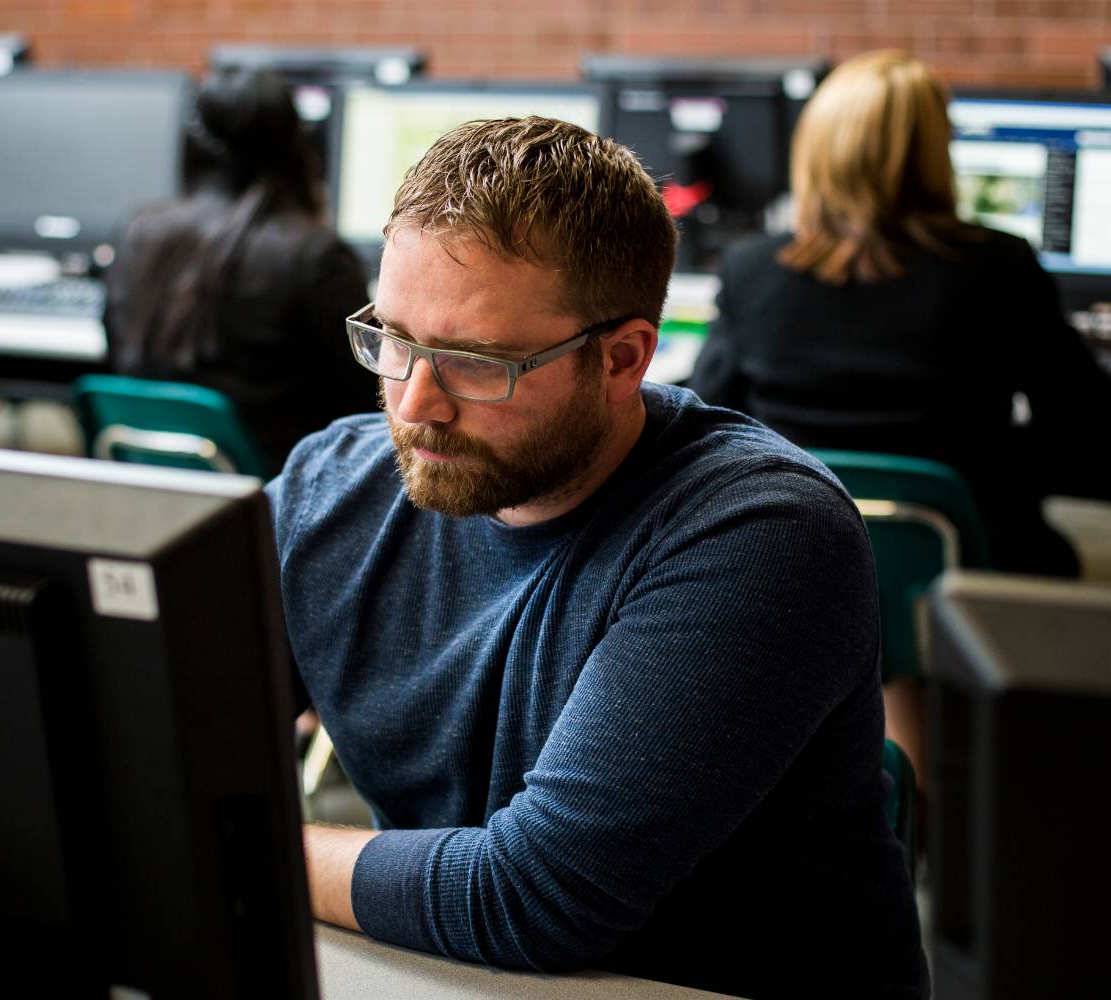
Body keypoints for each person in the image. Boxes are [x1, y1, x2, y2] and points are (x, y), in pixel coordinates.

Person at [268, 116, 928, 1000]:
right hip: (448, 976)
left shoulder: (763, 531)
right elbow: (172, 734)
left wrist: (250, 844)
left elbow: (534, 897)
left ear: (622, 359)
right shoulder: (331, 487)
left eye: (473, 361)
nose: (415, 403)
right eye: (393, 339)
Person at [688, 50, 1111, 580]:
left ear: (816, 149)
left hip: (793, 563)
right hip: (966, 569)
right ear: (937, 151)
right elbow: (1087, 432)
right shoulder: (999, 268)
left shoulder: (749, 269)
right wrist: (991, 460)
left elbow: (710, 422)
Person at [101, 68, 376, 474]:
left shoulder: (138, 233)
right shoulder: (314, 255)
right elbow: (371, 398)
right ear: (298, 146)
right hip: (282, 498)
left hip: (155, 490)